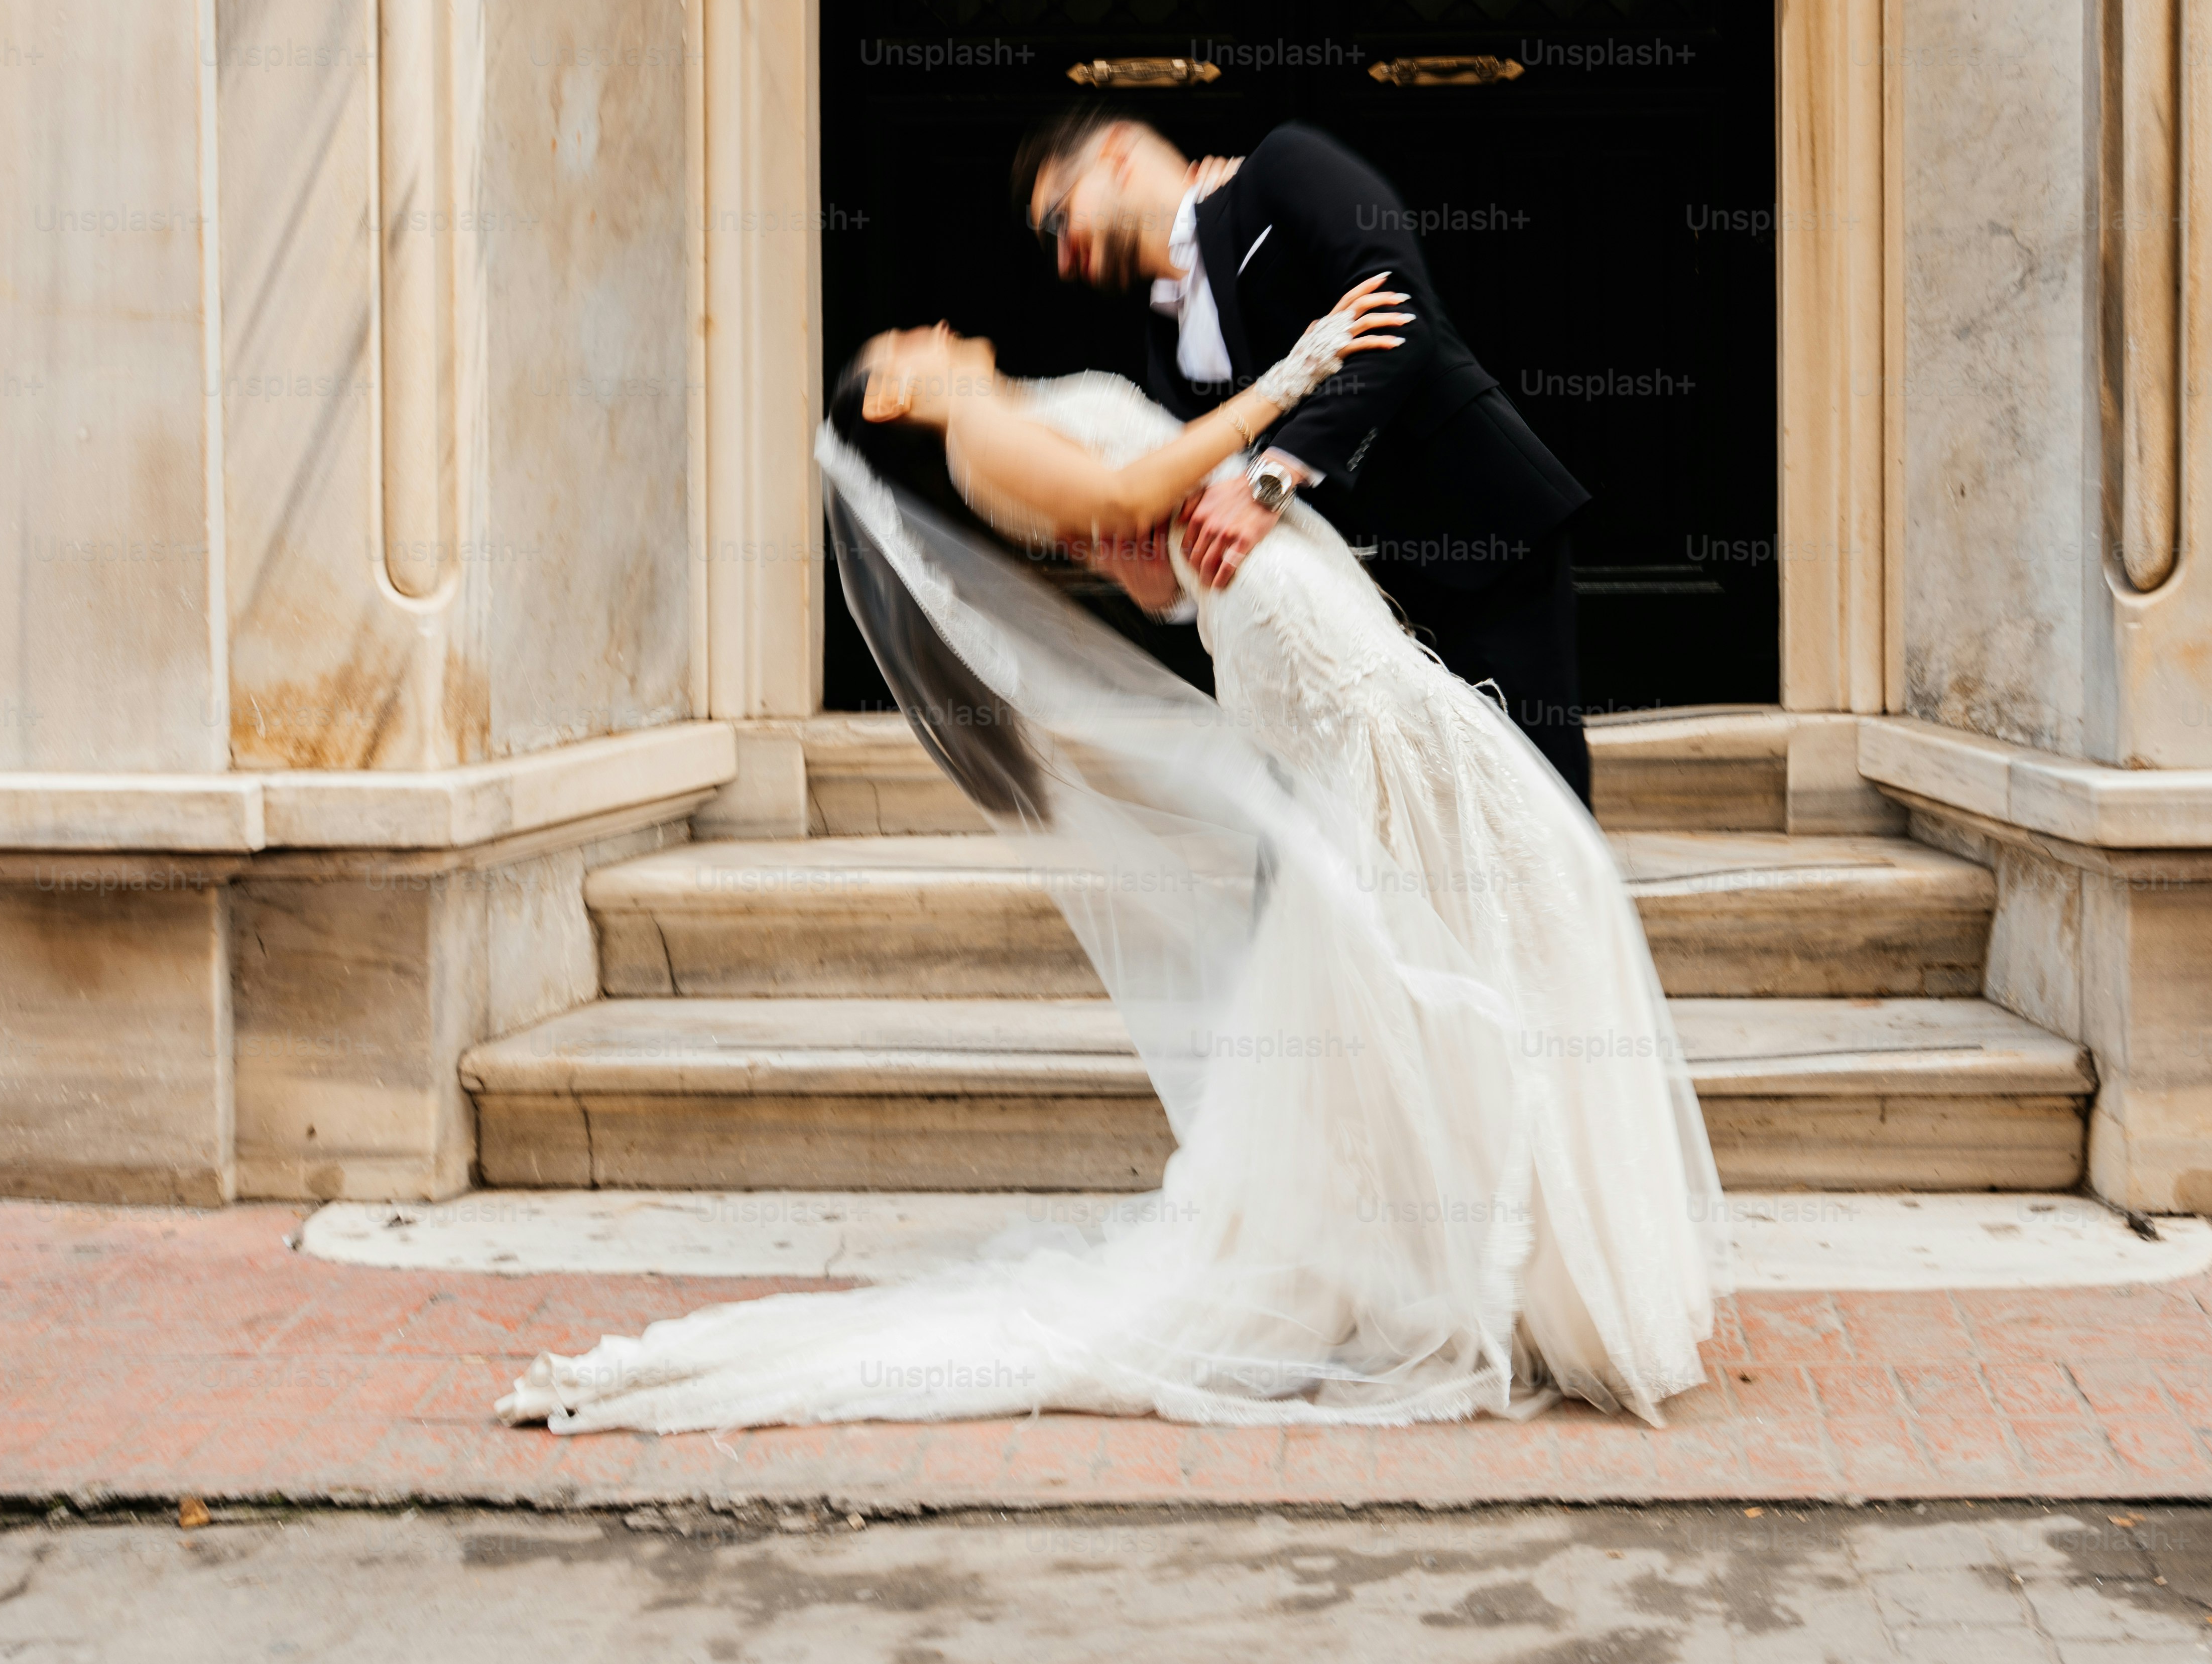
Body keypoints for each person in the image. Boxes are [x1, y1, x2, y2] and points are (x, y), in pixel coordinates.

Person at [497, 288, 1726, 1435]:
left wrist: (1197, 518)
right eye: (904, 347)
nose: (929, 327)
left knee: (1459, 897)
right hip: (1301, 640)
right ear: (887, 403)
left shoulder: (1014, 418)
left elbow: (1143, 563)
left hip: (1284, 601)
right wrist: (1292, 379)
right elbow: (1144, 479)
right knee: (1518, 874)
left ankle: (1490, 1268)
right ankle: (1513, 1267)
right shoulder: (983, 441)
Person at [1012, 107, 1596, 802]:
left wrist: (1273, 477)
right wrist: (1153, 584)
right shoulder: (1161, 346)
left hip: (1475, 530)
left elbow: (1400, 313)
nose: (1063, 258)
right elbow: (1206, 495)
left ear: (1115, 156)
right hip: (1342, 607)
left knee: (1535, 791)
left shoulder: (1279, 172)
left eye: (1058, 220)